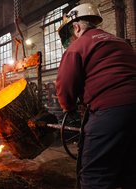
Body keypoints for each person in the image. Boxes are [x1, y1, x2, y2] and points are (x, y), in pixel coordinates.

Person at [56, 3, 136, 189]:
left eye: (71, 31)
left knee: (95, 176)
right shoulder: (121, 42)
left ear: (76, 27)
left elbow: (65, 84)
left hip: (110, 113)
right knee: (130, 170)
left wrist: (68, 106)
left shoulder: (78, 46)